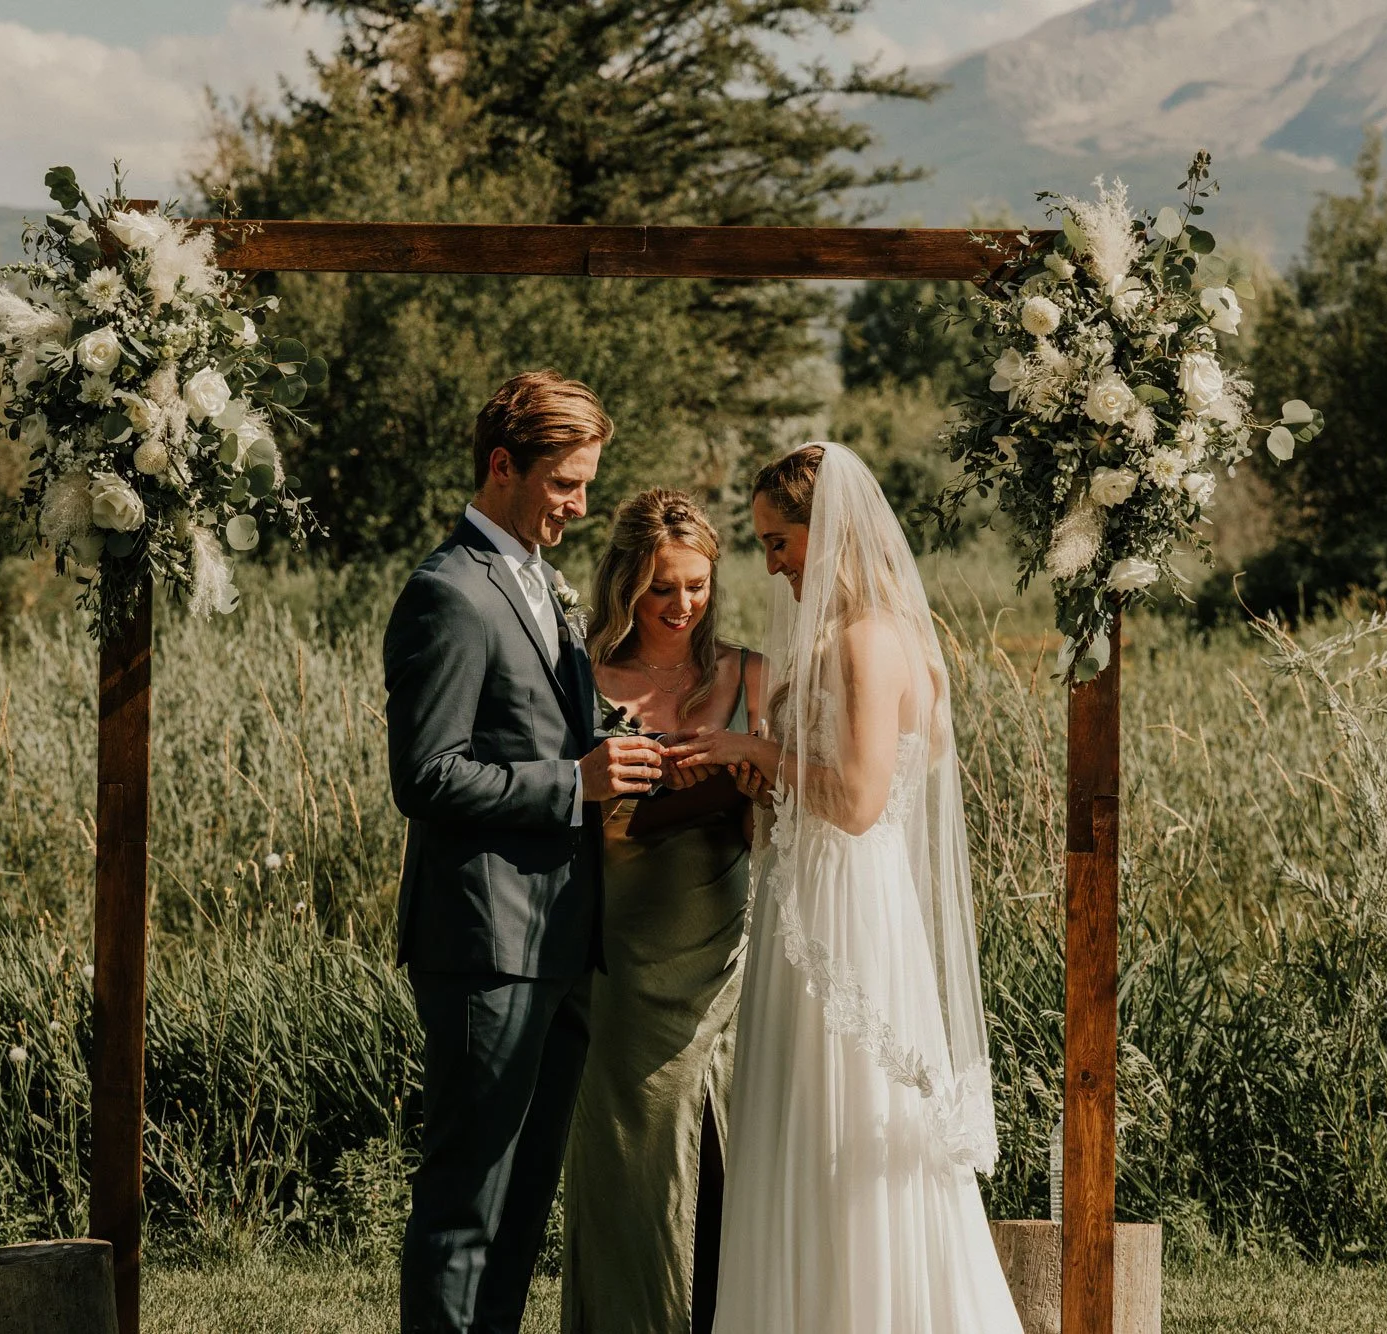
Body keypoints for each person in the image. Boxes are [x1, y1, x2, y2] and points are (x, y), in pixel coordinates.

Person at [667, 443, 1023, 1333]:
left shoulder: (867, 641)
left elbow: (862, 802)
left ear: (826, 535)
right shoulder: (847, 633)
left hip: (850, 917)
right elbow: (818, 781)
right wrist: (767, 780)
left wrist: (753, 751)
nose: (773, 563)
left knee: (842, 1127)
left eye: (779, 541)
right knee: (798, 1127)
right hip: (812, 901)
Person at [384, 371, 666, 1334]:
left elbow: (542, 727)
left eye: (587, 483)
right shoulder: (449, 594)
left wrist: (618, 742)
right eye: (564, 483)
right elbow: (426, 776)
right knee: (467, 1205)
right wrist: (573, 783)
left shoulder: (541, 586)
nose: (581, 506)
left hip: (559, 942)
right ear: (502, 467)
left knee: (519, 1212)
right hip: (485, 944)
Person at [562, 491, 761, 1334]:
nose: (682, 608)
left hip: (721, 951)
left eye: (697, 588)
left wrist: (747, 779)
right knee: (628, 1163)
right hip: (617, 949)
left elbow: (801, 799)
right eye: (661, 590)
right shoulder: (581, 675)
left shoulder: (748, 673)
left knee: (728, 1157)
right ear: (625, 587)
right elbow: (554, 802)